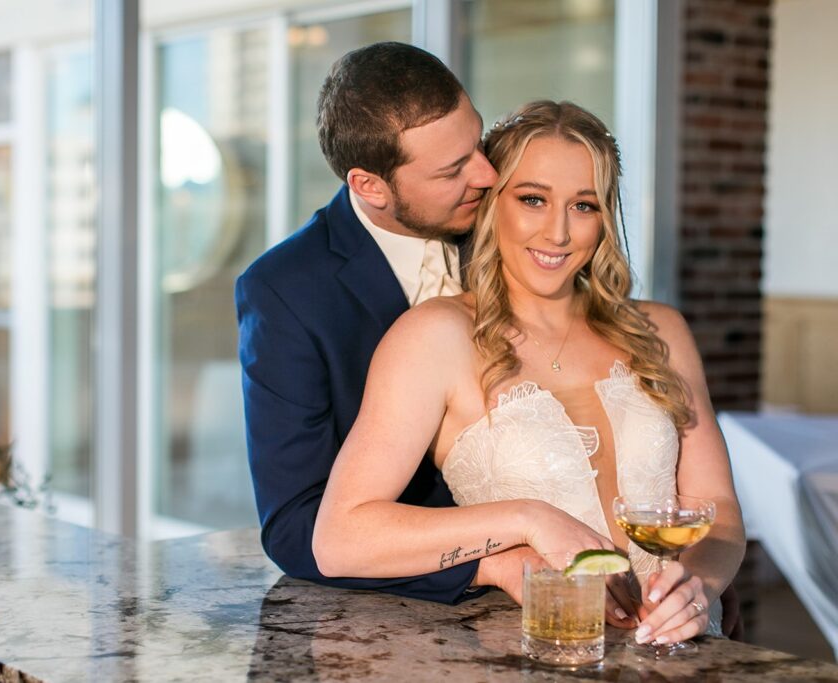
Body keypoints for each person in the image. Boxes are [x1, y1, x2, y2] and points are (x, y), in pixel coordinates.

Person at [312, 100, 746, 644]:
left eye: (584, 205)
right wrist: (526, 519)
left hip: (685, 646)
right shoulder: (435, 338)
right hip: (542, 648)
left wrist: (700, 586)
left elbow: (720, 509)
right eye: (533, 199)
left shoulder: (660, 329)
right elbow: (340, 539)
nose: (559, 233)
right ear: (493, 203)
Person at [236, 42, 505, 604]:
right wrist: (486, 567)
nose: (486, 173)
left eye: (476, 142)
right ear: (370, 186)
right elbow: (295, 527)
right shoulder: (285, 291)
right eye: (453, 169)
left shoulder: (519, 224)